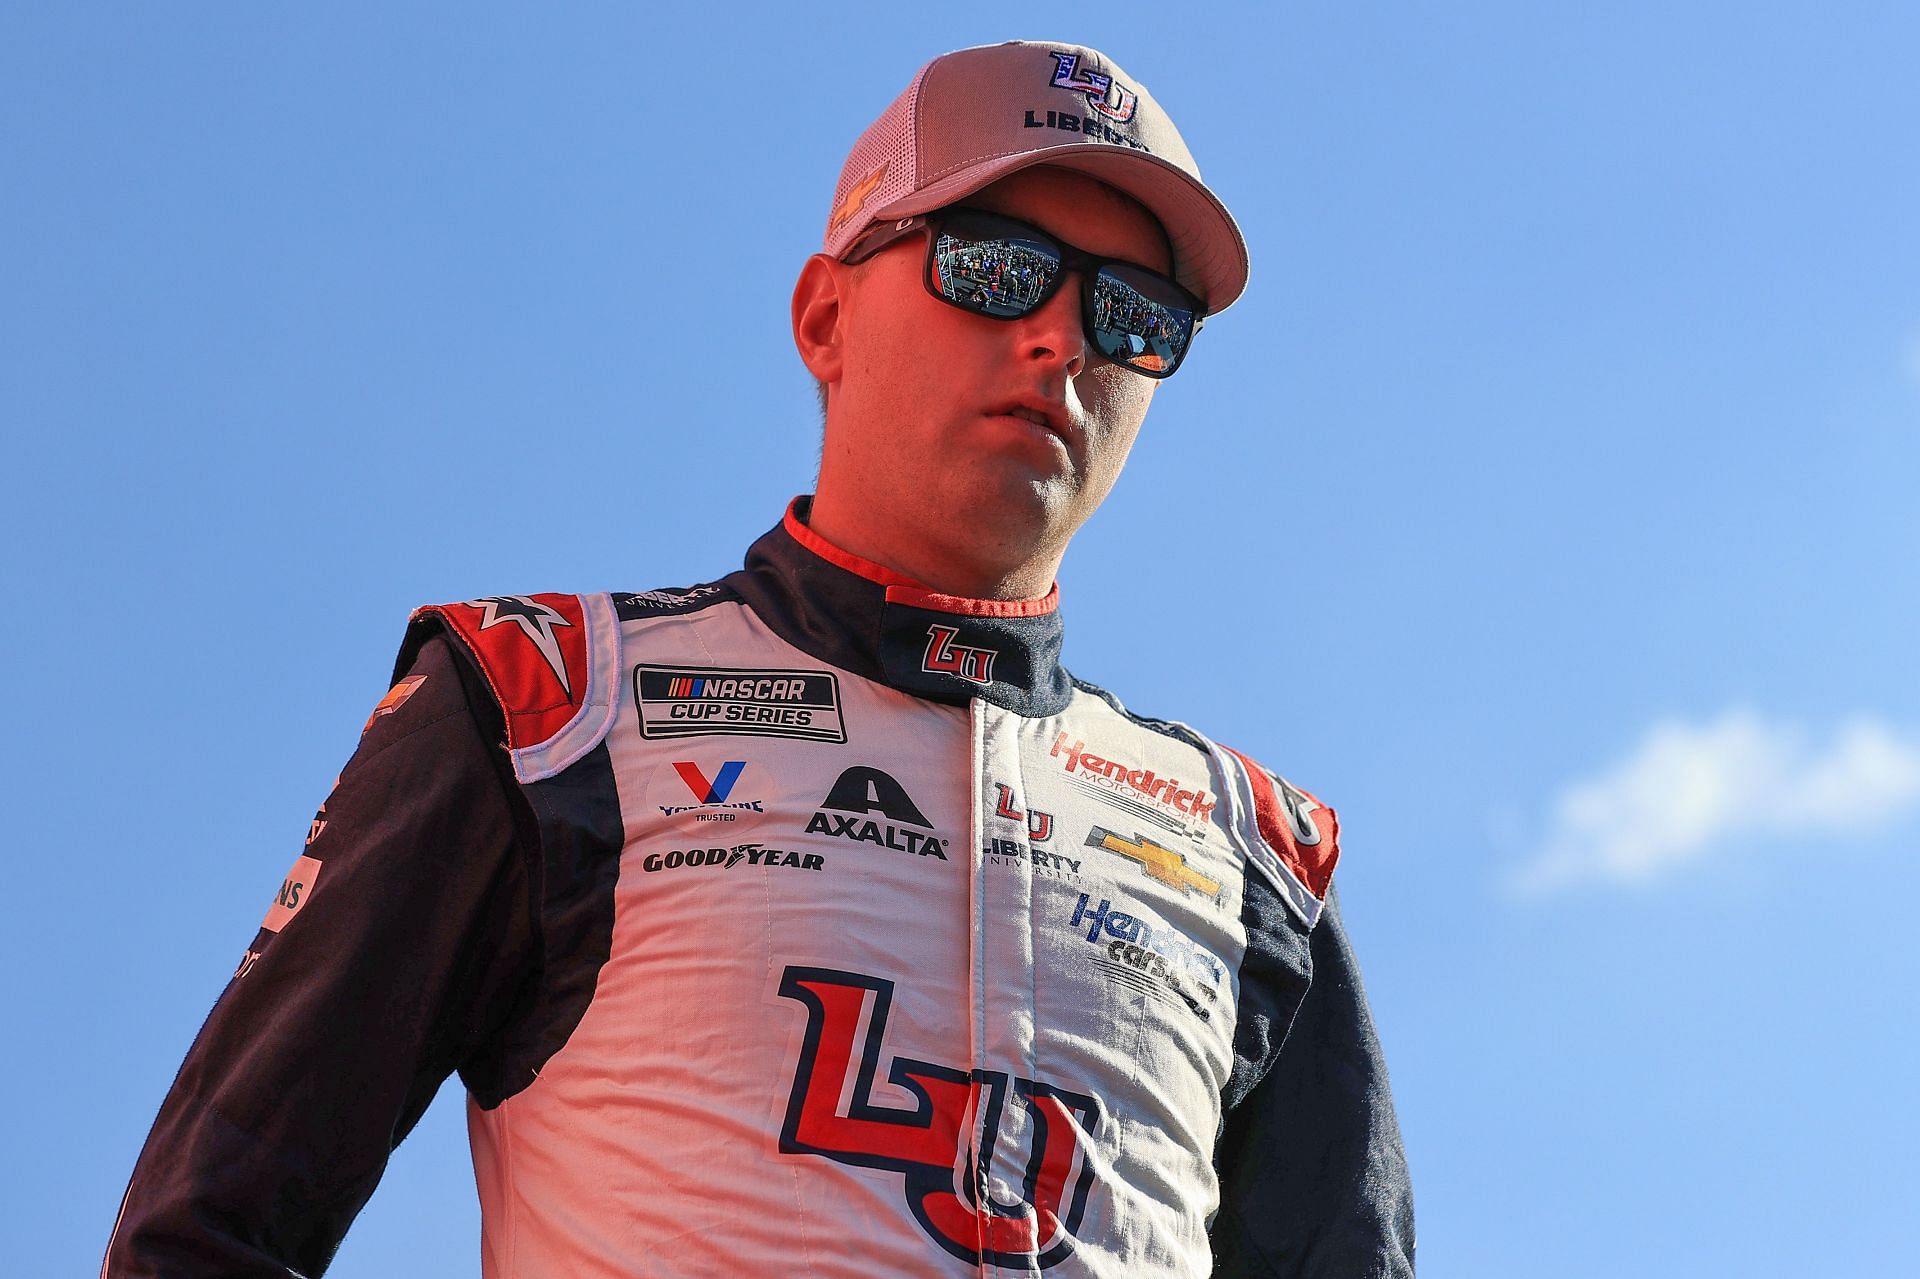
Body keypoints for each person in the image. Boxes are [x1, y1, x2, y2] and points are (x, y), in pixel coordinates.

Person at [104, 39, 1414, 1278]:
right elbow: (204, 1236)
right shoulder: (546, 702)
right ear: (825, 317)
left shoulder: (1256, 853)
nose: (1063, 342)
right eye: (996, 266)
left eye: (1134, 313)